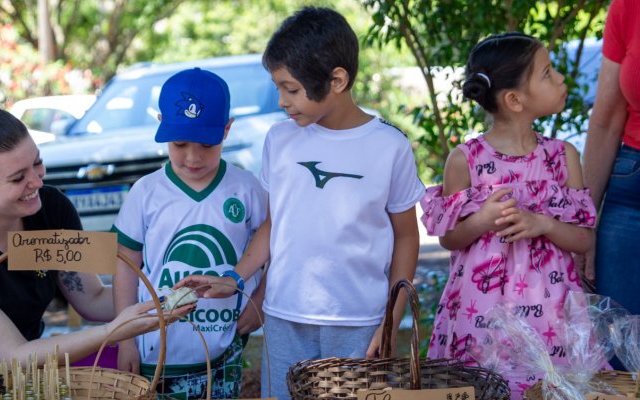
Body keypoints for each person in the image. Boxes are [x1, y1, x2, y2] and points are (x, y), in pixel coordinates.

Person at [177, 7, 425, 399]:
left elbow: (407, 237)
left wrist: (391, 320)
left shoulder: (390, 146)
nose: (281, 101)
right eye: (278, 88)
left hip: (360, 322)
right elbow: (274, 223)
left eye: (290, 89)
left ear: (337, 80)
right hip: (284, 317)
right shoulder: (279, 140)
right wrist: (235, 278)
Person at [0, 92, 190, 383]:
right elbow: (12, 356)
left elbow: (92, 299)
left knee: (140, 362)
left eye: (37, 163)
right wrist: (113, 332)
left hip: (34, 367)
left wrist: (169, 295)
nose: (36, 181)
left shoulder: (52, 208)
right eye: (18, 178)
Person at [420, 33, 598, 398]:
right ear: (514, 100)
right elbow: (449, 239)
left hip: (551, 314)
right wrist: (481, 220)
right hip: (482, 316)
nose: (560, 79)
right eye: (547, 73)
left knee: (551, 389)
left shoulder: (562, 157)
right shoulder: (465, 160)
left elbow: (584, 239)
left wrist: (543, 223)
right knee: (484, 388)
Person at [111, 67, 268, 399]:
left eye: (207, 144)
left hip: (223, 348)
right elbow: (125, 265)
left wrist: (261, 299)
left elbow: (275, 244)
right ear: (161, 125)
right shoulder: (146, 192)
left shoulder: (246, 188)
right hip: (156, 351)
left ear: (227, 129)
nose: (193, 157)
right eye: (180, 143)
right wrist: (125, 338)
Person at [581, 0, 640, 322]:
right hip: (632, 190)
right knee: (620, 340)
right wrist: (583, 223)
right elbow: (606, 119)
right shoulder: (628, 6)